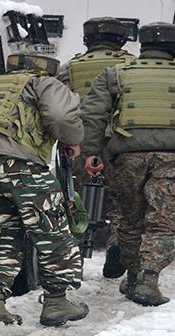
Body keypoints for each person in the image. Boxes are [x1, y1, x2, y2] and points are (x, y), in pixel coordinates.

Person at [81, 22, 175, 306]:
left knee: (130, 221)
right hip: (173, 158)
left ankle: (135, 274)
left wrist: (92, 153)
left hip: (126, 158)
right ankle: (148, 281)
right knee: (161, 222)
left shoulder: (114, 75)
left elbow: (92, 115)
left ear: (142, 45)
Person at [0, 53, 87, 327]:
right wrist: (72, 140)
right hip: (18, 165)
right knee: (52, 229)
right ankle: (57, 302)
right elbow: (60, 115)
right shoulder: (42, 83)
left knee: (3, 232)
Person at [57, 17, 135, 279]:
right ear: (121, 40)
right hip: (120, 144)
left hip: (78, 144)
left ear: (86, 40)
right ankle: (116, 244)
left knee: (73, 201)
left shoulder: (69, 68)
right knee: (123, 204)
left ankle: (73, 261)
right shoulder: (131, 67)